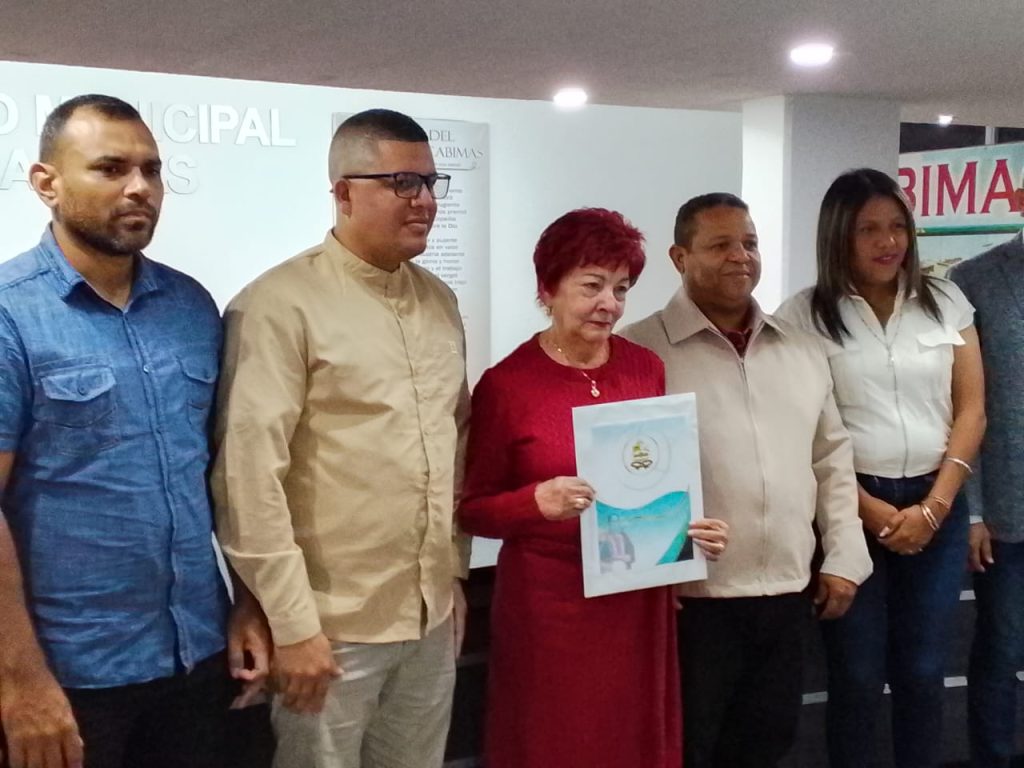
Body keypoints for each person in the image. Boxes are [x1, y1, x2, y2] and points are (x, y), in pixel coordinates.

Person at [0, 94, 268, 768]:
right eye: (111, 168)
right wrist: (20, 680)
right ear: (46, 183)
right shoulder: (10, 315)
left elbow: (220, 475)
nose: (140, 187)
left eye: (151, 169)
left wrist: (247, 602)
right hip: (70, 675)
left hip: (196, 657)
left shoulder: (190, 306)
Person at [212, 108, 470, 768]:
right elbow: (248, 477)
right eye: (403, 182)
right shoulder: (279, 304)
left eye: (431, 182)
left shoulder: (440, 302)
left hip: (429, 618)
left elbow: (456, 440)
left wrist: (453, 574)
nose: (425, 200)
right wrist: (294, 625)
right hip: (330, 629)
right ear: (344, 191)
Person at [458, 207, 728, 768]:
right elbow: (474, 509)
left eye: (621, 288)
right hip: (550, 607)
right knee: (556, 743)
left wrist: (687, 530)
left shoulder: (645, 368)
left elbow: (655, 474)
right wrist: (535, 502)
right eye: (592, 286)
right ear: (548, 289)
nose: (610, 303)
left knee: (631, 741)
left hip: (636, 599)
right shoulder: (507, 385)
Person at [620, 193, 871, 768]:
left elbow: (831, 460)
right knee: (690, 747)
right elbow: (625, 471)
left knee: (767, 744)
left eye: (750, 243)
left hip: (786, 588)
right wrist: (649, 573)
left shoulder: (801, 349)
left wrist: (843, 556)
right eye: (720, 245)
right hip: (692, 598)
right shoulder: (639, 349)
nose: (741, 256)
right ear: (680, 257)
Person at [777, 168, 986, 768]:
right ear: (838, 235)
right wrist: (866, 510)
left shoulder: (945, 300)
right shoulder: (803, 316)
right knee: (858, 674)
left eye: (897, 226)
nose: (887, 241)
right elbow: (801, 431)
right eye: (868, 229)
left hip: (938, 497)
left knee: (923, 670)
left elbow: (972, 408)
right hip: (849, 506)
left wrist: (936, 507)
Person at [949, 181, 1024, 768]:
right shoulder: (973, 280)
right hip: (1005, 510)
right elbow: (962, 405)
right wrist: (970, 509)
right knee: (1001, 648)